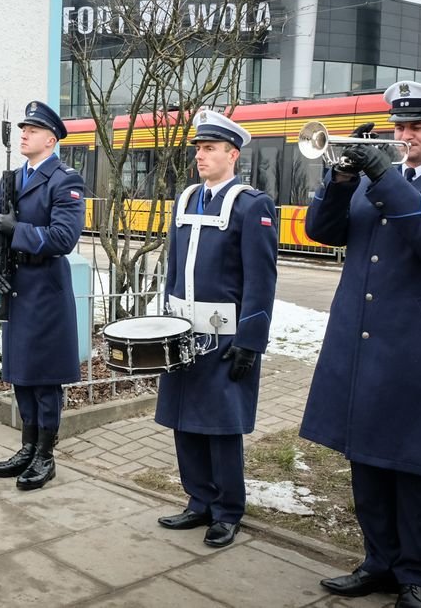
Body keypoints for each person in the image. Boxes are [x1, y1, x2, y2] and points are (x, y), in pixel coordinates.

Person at [302, 82, 421, 608]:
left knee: (413, 465)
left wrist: (384, 175)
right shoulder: (369, 182)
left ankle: (414, 575)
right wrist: (342, 176)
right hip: (360, 339)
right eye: (400, 126)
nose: (405, 134)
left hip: (415, 345)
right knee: (364, 458)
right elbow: (322, 230)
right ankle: (377, 561)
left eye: (417, 126)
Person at [154, 109, 278, 549]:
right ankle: (198, 501)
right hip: (183, 330)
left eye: (209, 148)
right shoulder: (187, 199)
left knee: (222, 428)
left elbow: (262, 280)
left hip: (226, 337)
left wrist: (250, 341)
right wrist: (161, 320)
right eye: (198, 148)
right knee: (185, 419)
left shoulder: (252, 205)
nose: (200, 155)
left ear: (233, 154)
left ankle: (227, 511)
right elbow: (172, 267)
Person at [0, 100, 86, 491]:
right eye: (22, 129)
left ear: (50, 139)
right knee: (20, 373)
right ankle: (27, 447)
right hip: (17, 288)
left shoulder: (64, 180)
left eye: (32, 130)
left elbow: (63, 239)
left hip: (46, 291)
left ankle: (45, 455)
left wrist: (18, 230)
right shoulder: (12, 180)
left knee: (44, 377)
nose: (24, 134)